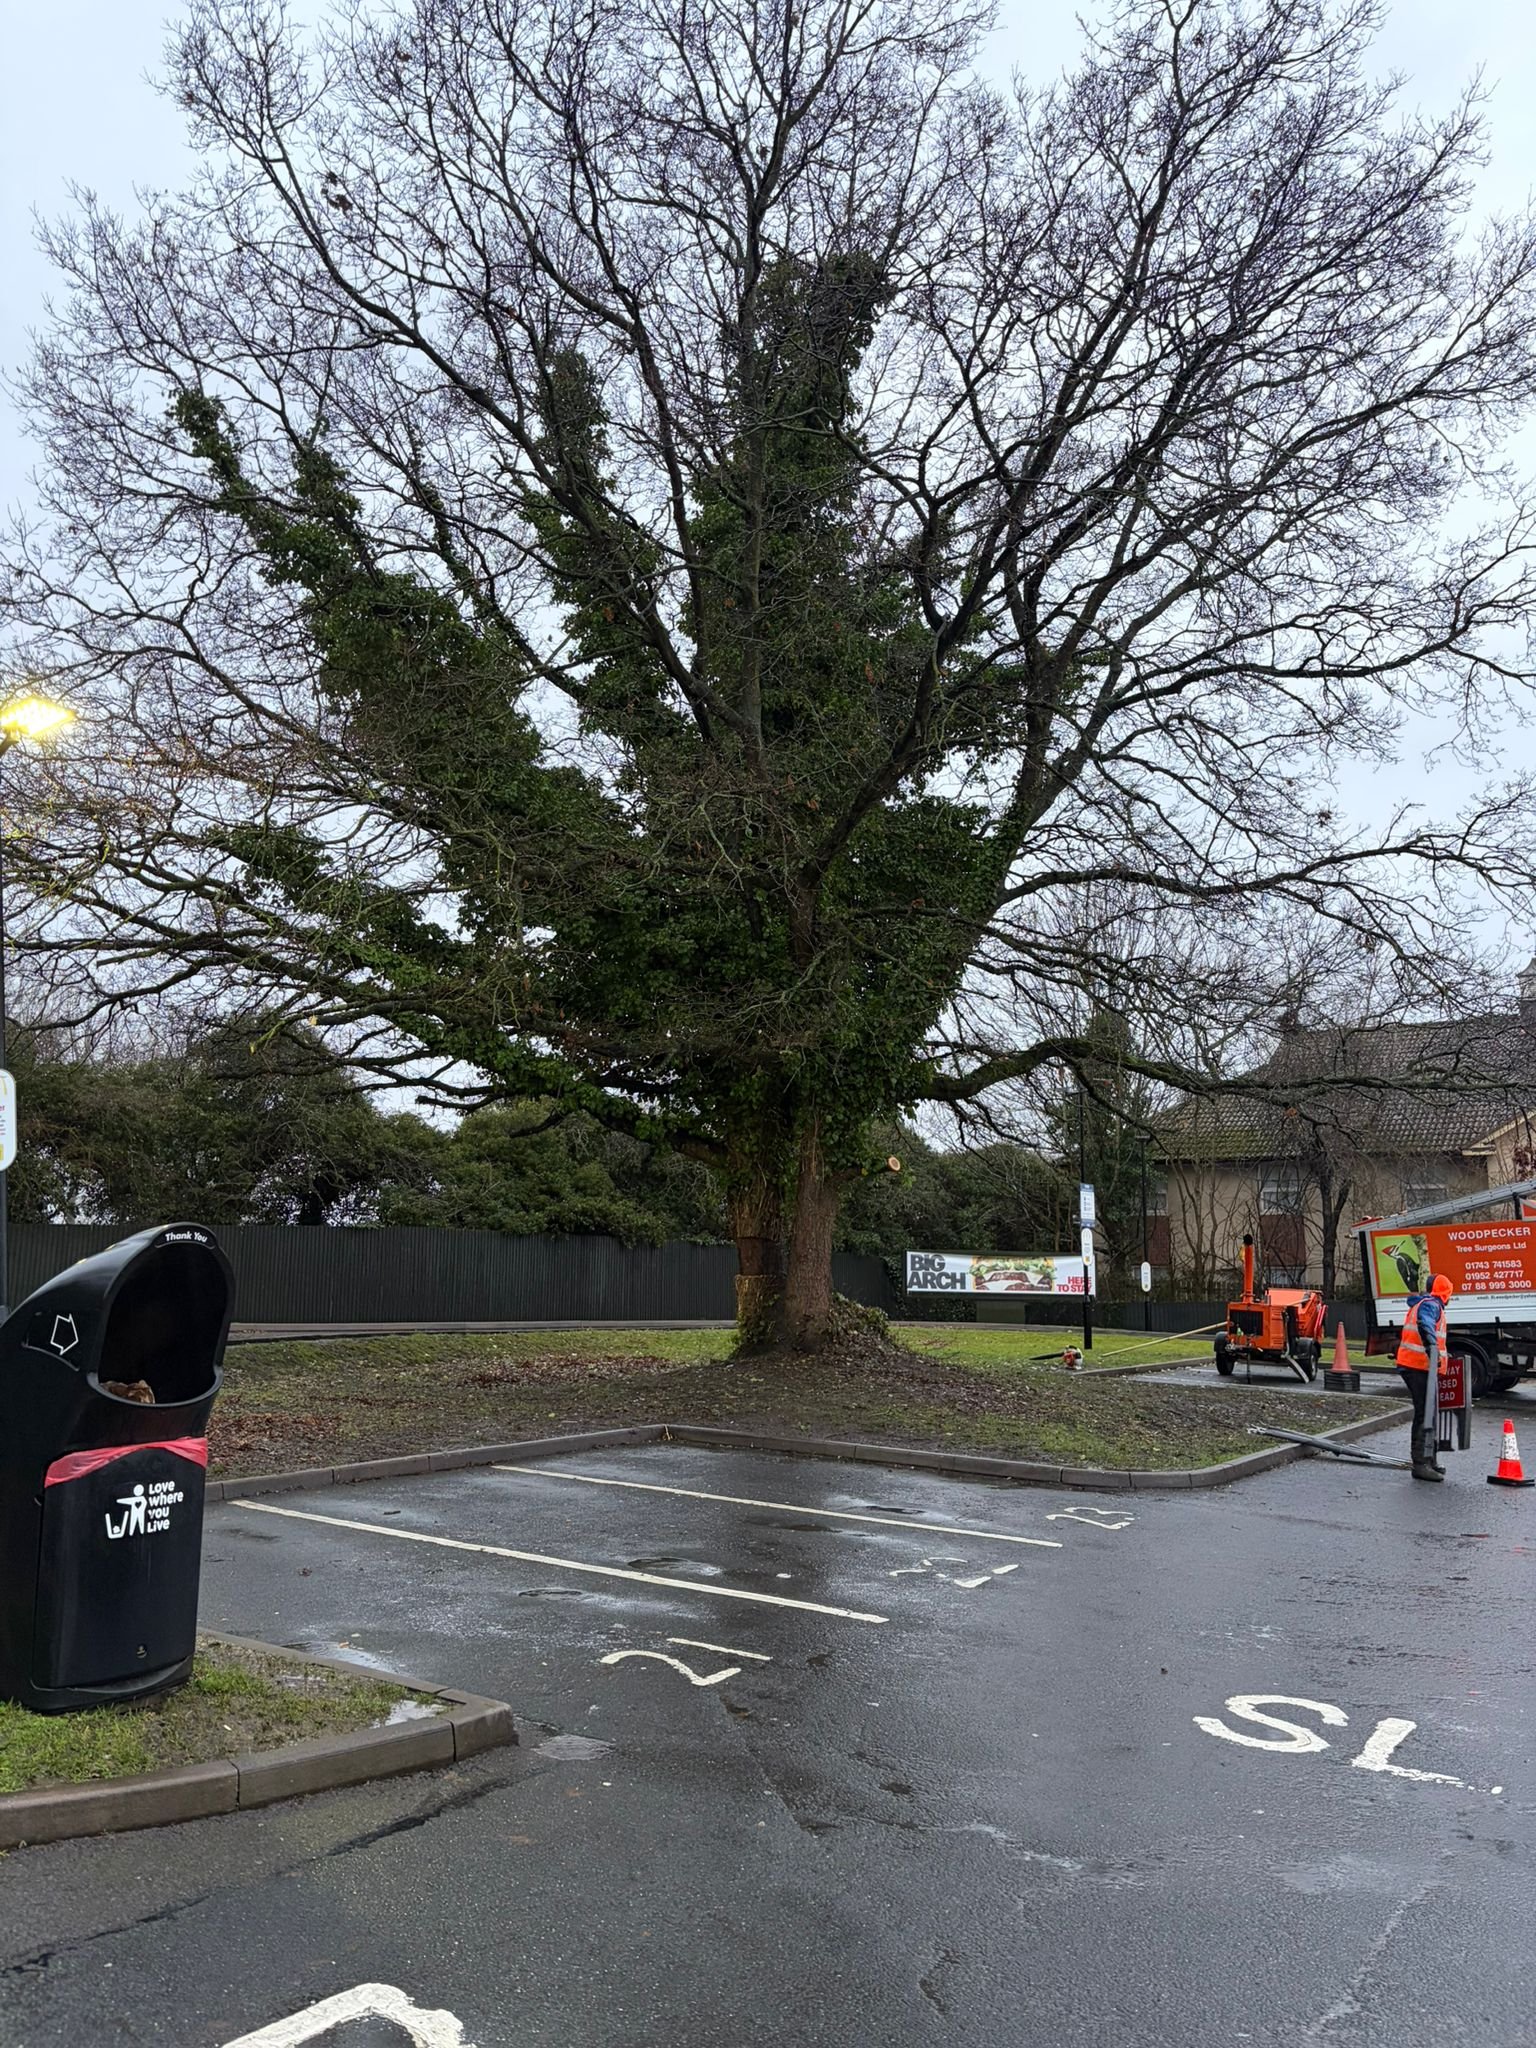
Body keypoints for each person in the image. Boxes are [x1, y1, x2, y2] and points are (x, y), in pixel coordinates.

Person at [1395, 1272, 1453, 1481]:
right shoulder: (1431, 1305)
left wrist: (1438, 1351)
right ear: (1445, 1291)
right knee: (1425, 1414)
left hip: (1419, 1366)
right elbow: (1425, 1325)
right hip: (1417, 1366)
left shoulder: (1426, 1304)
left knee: (1429, 1413)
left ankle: (1429, 1459)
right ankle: (1421, 1464)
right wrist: (1431, 1346)